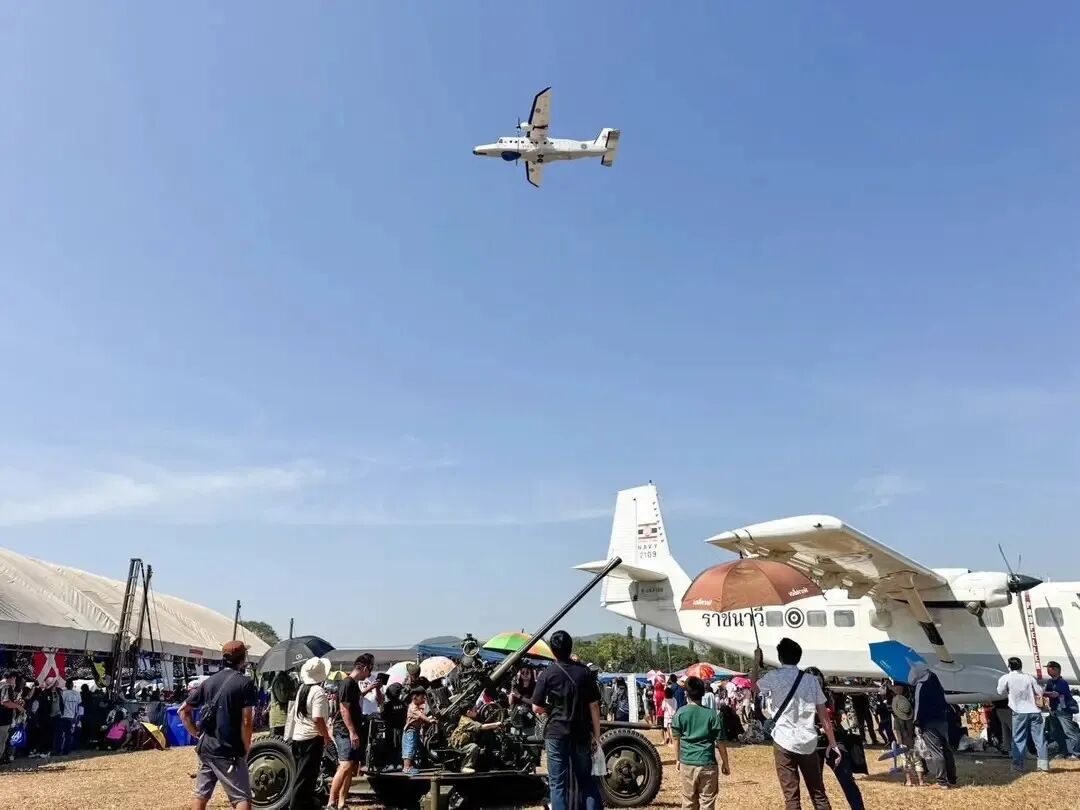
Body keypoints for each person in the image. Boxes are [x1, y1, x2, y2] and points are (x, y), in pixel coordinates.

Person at [752, 639, 840, 810]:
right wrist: (832, 742)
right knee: (818, 793)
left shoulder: (774, 677)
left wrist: (756, 662)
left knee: (791, 797)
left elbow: (754, 687)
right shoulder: (811, 680)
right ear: (799, 657)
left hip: (783, 740)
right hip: (808, 740)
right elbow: (824, 716)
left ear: (780, 657)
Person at [180, 640, 259, 810]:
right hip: (229, 750)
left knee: (201, 795)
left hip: (206, 748)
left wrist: (196, 734)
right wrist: (246, 747)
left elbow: (183, 711)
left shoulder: (209, 681)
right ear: (242, 659)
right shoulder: (245, 683)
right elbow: (247, 721)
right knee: (242, 797)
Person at [531, 630, 603, 810]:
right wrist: (597, 736)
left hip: (556, 734)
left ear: (552, 651)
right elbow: (594, 706)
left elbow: (536, 707)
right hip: (581, 733)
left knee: (558, 784)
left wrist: (551, 709)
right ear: (571, 647)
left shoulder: (547, 674)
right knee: (586, 780)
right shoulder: (585, 672)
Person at [804, 668, 864, 810]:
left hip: (834, 740)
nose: (815, 684)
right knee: (816, 784)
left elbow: (839, 710)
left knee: (847, 778)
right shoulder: (801, 698)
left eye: (818, 681)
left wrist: (842, 715)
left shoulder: (831, 694)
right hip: (813, 742)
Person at [329, 654, 381, 809]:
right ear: (364, 668)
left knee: (350, 766)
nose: (369, 673)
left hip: (353, 729)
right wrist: (352, 732)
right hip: (344, 730)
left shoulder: (354, 684)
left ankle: (342, 802)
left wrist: (372, 688)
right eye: (370, 669)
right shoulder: (347, 683)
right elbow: (344, 710)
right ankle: (331, 801)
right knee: (345, 764)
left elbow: (358, 697)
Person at [673, 676, 730, 810]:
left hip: (687, 763)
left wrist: (678, 759)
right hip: (707, 763)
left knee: (688, 802)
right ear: (703, 693)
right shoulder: (712, 715)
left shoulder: (680, 713)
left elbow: (676, 739)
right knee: (707, 803)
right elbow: (720, 742)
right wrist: (725, 762)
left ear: (686, 693)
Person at [286, 656, 334, 810]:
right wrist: (326, 736)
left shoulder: (302, 688)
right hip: (311, 739)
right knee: (305, 779)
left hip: (298, 737)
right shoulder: (318, 691)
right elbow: (317, 718)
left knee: (301, 776)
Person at [997, 656, 1048, 773]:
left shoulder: (1006, 678)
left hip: (1019, 710)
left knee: (1019, 739)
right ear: (1021, 666)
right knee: (1039, 738)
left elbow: (999, 692)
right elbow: (1039, 692)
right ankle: (1043, 765)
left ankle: (1018, 765)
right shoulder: (1029, 677)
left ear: (1009, 666)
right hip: (1035, 711)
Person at [912, 663, 957, 788]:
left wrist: (916, 723)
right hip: (942, 719)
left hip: (928, 722)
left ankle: (942, 781)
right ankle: (952, 778)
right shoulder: (936, 680)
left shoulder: (921, 685)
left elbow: (918, 707)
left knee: (936, 751)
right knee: (946, 749)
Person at [449, 703, 504, 773]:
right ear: (468, 712)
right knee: (473, 747)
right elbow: (482, 727)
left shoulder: (469, 718)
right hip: (459, 744)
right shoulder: (467, 721)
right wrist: (496, 724)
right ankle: (465, 767)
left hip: (465, 741)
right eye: (474, 710)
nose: (476, 711)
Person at [1043, 660, 1080, 760]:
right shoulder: (1050, 682)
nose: (1048, 670)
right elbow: (1049, 694)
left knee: (1069, 732)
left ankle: (1076, 753)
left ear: (1056, 670)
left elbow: (1055, 694)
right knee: (1055, 733)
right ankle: (1064, 751)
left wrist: (1042, 692)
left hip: (1064, 711)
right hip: (1054, 710)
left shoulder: (1062, 683)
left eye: (1049, 668)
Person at [889, 683, 925, 787]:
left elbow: (898, 733)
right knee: (918, 761)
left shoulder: (897, 721)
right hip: (914, 742)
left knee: (906, 763)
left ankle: (909, 781)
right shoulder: (912, 719)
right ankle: (921, 781)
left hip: (904, 743)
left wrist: (899, 744)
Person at [403, 686, 436, 774]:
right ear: (415, 697)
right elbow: (421, 716)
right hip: (410, 731)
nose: (424, 699)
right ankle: (407, 767)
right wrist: (429, 720)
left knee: (422, 749)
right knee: (410, 748)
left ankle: (424, 763)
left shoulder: (417, 706)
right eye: (422, 697)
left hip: (416, 731)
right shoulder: (412, 707)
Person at [0, 671, 24, 764]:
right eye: (15, 679)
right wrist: (18, 707)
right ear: (12, 678)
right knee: (1, 742)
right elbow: (5, 702)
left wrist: (14, 703)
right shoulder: (6, 686)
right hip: (3, 719)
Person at [53, 678, 80, 755]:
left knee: (59, 734)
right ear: (72, 685)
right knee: (68, 734)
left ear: (65, 685)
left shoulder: (63, 693)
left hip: (62, 716)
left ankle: (58, 750)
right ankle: (66, 750)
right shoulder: (77, 694)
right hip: (71, 717)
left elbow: (60, 704)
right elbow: (78, 706)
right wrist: (76, 717)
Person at [269, 669, 297, 738]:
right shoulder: (279, 680)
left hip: (287, 715)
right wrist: (292, 693)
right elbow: (282, 698)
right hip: (279, 717)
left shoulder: (288, 679)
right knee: (278, 741)